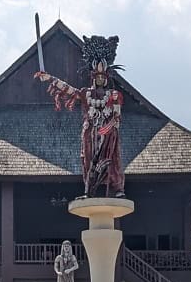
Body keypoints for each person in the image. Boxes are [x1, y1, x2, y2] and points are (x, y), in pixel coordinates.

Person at [34, 35, 126, 198]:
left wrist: (110, 127)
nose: (99, 79)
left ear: (106, 78)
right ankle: (88, 190)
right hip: (90, 131)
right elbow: (70, 90)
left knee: (111, 159)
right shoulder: (86, 93)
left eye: (102, 77)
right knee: (88, 160)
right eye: (97, 77)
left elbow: (117, 116)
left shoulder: (113, 95)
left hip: (108, 132)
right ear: (92, 77)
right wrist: (50, 79)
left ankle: (117, 188)